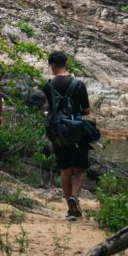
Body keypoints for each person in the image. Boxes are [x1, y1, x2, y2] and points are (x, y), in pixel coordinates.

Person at [43, 50, 92, 221]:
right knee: (79, 169)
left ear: (51, 65)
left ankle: (70, 210)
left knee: (64, 169)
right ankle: (75, 197)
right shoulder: (78, 85)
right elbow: (86, 110)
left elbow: (51, 108)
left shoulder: (48, 86)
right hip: (76, 131)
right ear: (66, 63)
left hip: (57, 133)